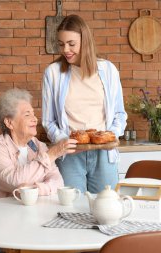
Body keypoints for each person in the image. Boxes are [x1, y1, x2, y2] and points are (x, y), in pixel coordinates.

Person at [42, 14, 127, 194]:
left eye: (71, 44)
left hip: (104, 154)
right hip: (70, 156)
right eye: (61, 44)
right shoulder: (53, 73)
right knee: (70, 211)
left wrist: (111, 135)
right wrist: (63, 141)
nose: (66, 50)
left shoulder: (108, 70)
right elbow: (48, 121)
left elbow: (120, 113)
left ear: (85, 40)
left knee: (105, 210)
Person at [0, 88, 77, 202]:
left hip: (23, 213)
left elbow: (57, 182)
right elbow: (14, 181)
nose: (35, 119)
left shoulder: (39, 146)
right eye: (27, 115)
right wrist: (52, 153)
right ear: (9, 122)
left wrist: (36, 189)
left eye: (34, 114)